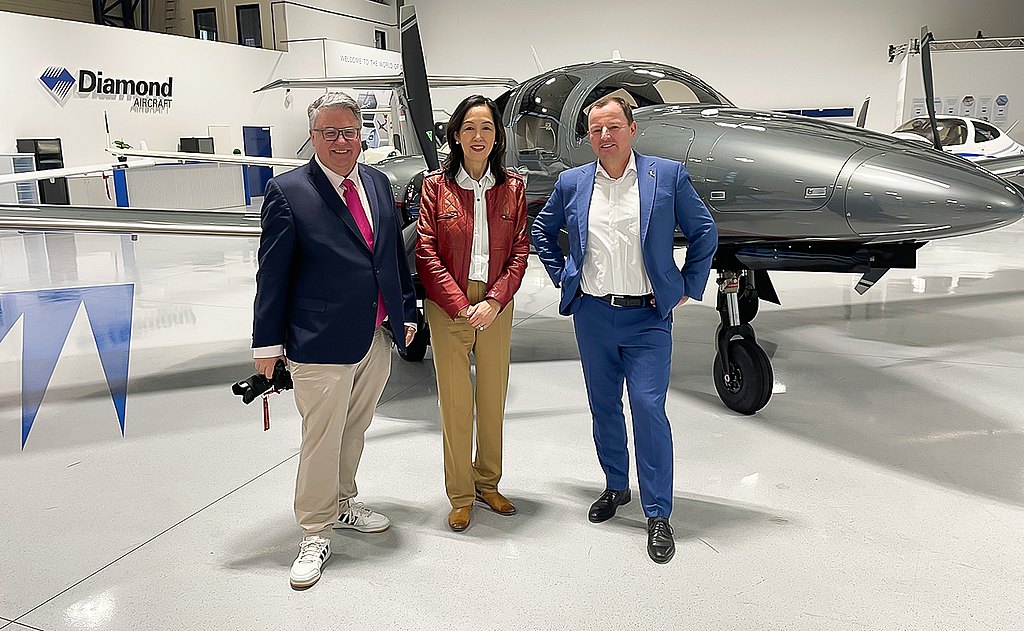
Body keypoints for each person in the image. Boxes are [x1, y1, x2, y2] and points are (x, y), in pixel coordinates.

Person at [531, 95, 717, 564]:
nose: (605, 136)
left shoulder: (666, 176)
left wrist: (686, 286)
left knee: (648, 408)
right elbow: (541, 232)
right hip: (592, 315)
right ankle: (616, 486)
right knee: (603, 407)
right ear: (588, 136)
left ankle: (658, 512)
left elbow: (704, 231)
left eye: (613, 126)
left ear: (632, 129)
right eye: (596, 130)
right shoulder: (573, 182)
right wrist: (564, 276)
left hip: (648, 316)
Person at [252, 92, 418, 589]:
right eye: (330, 132)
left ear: (362, 132)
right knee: (320, 438)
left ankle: (344, 502)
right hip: (319, 339)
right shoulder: (288, 191)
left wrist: (405, 309)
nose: (342, 140)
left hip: (375, 336)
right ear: (313, 137)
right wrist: (267, 346)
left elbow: (389, 255)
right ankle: (313, 530)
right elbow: (272, 274)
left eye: (350, 130)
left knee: (355, 429)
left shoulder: (377, 181)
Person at [416, 95, 529, 532]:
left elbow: (520, 250)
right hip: (450, 304)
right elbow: (425, 251)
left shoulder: (513, 188)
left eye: (486, 128)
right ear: (456, 136)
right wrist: (462, 306)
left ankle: (489, 482)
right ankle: (460, 494)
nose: (477, 136)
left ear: (497, 137)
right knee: (456, 404)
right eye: (469, 128)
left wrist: (496, 301)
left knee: (492, 399)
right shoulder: (434, 187)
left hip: (496, 303)